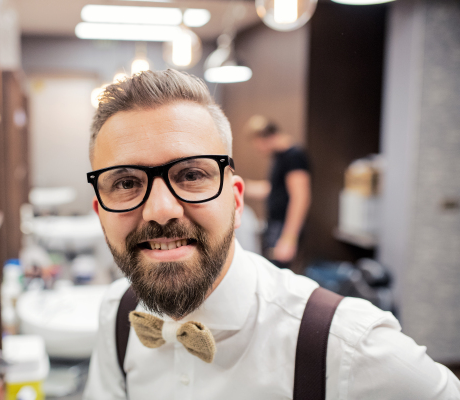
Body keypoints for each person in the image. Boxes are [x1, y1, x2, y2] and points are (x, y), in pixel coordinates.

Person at [83, 69, 460, 399]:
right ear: (101, 213)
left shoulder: (350, 345)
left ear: (235, 201)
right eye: (127, 182)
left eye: (191, 175)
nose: (161, 210)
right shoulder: (116, 313)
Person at [244, 117, 311, 269]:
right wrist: (241, 186)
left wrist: (289, 238)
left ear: (266, 137)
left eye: (258, 144)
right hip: (275, 226)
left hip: (283, 228)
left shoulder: (293, 157)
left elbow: (300, 197)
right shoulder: (280, 157)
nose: (259, 150)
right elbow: (274, 189)